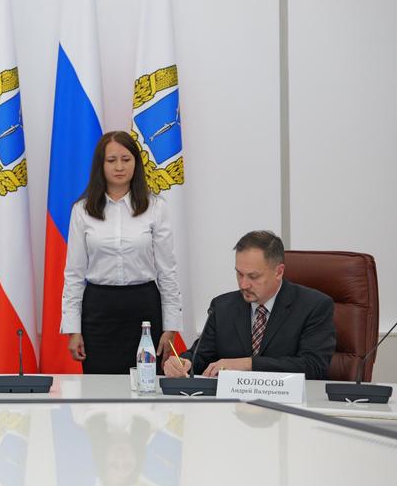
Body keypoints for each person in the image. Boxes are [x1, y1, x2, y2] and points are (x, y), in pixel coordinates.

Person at [60, 131, 182, 374]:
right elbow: (74, 274)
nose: (119, 167)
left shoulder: (155, 207)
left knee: (146, 387)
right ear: (101, 165)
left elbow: (168, 271)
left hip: (144, 309)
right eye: (111, 160)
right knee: (100, 389)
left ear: (136, 163)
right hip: (98, 310)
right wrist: (73, 330)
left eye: (126, 159)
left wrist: (171, 326)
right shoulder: (82, 210)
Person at [164, 230, 335, 379]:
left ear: (279, 272)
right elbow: (199, 357)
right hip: (232, 404)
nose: (243, 285)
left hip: (292, 403)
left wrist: (248, 364)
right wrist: (183, 362)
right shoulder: (222, 307)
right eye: (239, 274)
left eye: (253, 276)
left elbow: (313, 366)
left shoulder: (314, 306)